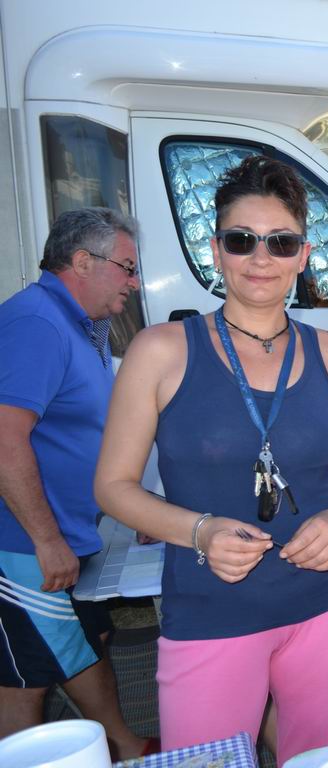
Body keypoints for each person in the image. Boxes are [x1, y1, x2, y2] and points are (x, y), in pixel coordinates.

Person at [93, 156, 328, 762]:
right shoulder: (161, 351)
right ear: (216, 251)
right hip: (210, 612)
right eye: (241, 240)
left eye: (282, 242)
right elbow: (113, 486)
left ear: (303, 256)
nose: (261, 258)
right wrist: (199, 530)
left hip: (327, 605)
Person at [0, 208, 152, 759]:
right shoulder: (37, 324)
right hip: (23, 545)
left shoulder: (80, 325)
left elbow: (78, 435)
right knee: (26, 677)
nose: (135, 283)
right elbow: (5, 437)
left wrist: (134, 512)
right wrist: (45, 539)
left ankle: (123, 746)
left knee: (87, 641)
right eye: (128, 268)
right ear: (83, 261)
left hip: (64, 534)